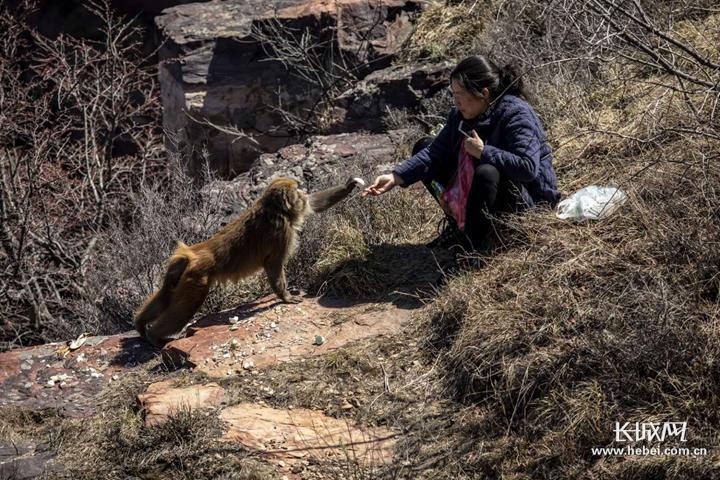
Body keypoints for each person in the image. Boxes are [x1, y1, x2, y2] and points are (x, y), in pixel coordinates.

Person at [362, 55, 560, 252]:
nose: (455, 102)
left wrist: (483, 151)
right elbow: (434, 153)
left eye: (459, 95)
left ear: (484, 93)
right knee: (424, 146)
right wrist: (396, 176)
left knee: (487, 171)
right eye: (453, 95)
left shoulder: (517, 114)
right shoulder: (461, 116)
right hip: (484, 192)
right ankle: (462, 225)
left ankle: (472, 248)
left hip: (528, 199)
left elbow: (527, 168)